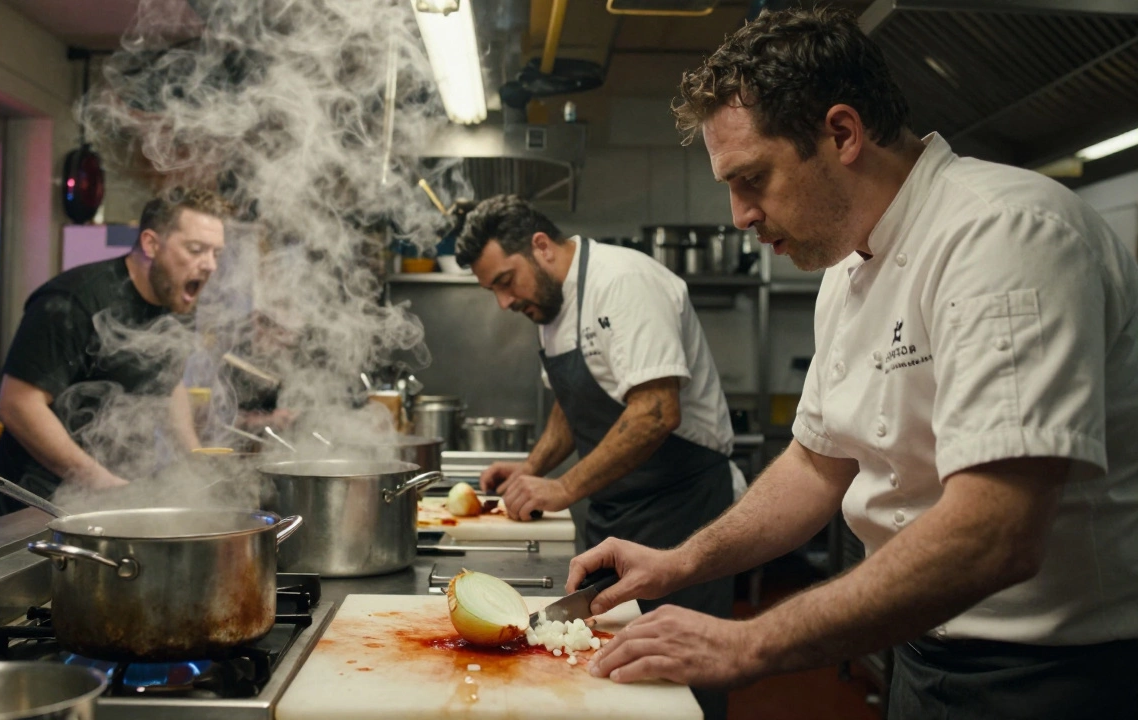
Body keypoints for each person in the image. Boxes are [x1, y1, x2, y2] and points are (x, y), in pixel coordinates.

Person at [567, 7, 1138, 719]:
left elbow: (996, 532)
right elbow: (817, 466)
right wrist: (681, 561)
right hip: (922, 652)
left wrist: (749, 644)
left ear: (842, 134)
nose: (740, 214)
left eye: (752, 179)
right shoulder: (846, 271)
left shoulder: (1004, 234)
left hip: (1051, 676)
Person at [455, 194, 738, 719]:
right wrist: (532, 468)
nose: (503, 301)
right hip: (620, 514)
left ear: (540, 247)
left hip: (686, 511)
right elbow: (572, 404)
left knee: (680, 682)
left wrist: (562, 488)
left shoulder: (622, 282)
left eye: (504, 281)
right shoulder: (552, 307)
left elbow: (656, 411)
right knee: (616, 679)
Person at [0, 188, 230, 517]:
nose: (210, 265)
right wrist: (105, 485)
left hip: (115, 494)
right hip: (40, 503)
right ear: (151, 244)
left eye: (217, 253)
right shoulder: (75, 300)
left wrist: (195, 461)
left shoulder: (178, 304)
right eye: (197, 249)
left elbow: (168, 384)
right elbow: (18, 404)